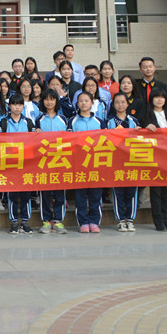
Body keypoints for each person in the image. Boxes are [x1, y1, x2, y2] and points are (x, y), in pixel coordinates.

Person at [141, 88, 167, 231]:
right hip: (154, 158)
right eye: (156, 97)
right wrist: (145, 128)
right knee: (156, 192)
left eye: (162, 97)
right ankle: (159, 221)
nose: (159, 100)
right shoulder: (146, 116)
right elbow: (139, 133)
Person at [104, 92, 140, 232]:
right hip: (115, 161)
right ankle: (120, 220)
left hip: (131, 161)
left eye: (123, 102)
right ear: (113, 105)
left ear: (127, 104)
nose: (120, 105)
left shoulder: (134, 121)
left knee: (131, 191)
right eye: (117, 102)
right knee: (118, 192)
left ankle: (130, 219)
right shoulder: (109, 122)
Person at [1, 95, 35, 234]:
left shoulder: (29, 122)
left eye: (20, 105)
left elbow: (35, 141)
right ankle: (14, 221)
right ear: (9, 106)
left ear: (23, 107)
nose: (17, 107)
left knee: (26, 194)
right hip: (9, 163)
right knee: (12, 194)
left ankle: (25, 221)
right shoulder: (4, 122)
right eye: (14, 104)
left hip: (26, 163)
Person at [69, 92, 103, 233]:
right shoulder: (72, 121)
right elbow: (69, 141)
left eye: (86, 100)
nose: (83, 103)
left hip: (96, 163)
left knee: (96, 194)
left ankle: (94, 221)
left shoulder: (99, 121)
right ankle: (83, 222)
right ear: (77, 103)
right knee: (80, 194)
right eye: (81, 101)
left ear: (92, 103)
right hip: (79, 163)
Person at [36, 89, 69, 234]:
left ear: (56, 101)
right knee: (44, 192)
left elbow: (70, 139)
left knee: (60, 191)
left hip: (60, 160)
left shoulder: (63, 119)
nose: (49, 102)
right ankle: (46, 220)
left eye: (52, 99)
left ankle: (58, 220)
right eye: (46, 99)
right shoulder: (39, 119)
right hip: (43, 161)